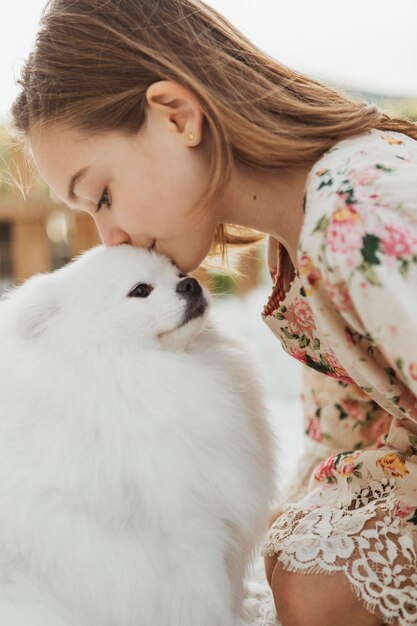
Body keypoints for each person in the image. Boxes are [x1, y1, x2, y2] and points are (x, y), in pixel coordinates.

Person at [10, 1, 417, 625]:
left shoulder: (353, 219)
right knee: (294, 546)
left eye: (103, 196)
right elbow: (347, 426)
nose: (110, 236)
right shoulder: (298, 239)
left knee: (317, 578)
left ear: (177, 117)